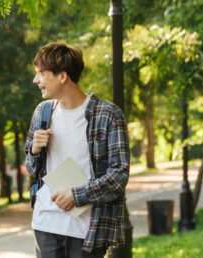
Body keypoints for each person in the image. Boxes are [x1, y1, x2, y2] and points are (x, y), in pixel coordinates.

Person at [25, 43, 130, 258]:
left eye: (41, 74)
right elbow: (30, 167)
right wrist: (34, 151)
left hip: (87, 228)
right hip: (46, 222)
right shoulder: (42, 112)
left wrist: (77, 195)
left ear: (62, 76)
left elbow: (119, 174)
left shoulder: (107, 114)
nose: (36, 80)